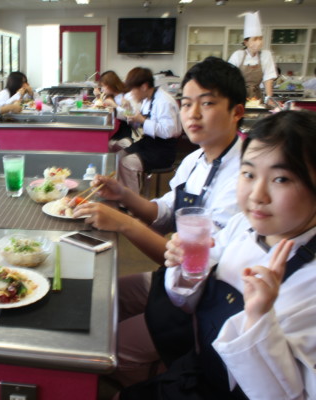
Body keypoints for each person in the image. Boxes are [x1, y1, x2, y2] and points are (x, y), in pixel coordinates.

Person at [120, 110, 316, 399]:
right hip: (199, 369)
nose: (257, 195)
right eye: (248, 174)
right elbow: (184, 302)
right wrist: (185, 266)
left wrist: (259, 320)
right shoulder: (241, 226)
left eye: (281, 179)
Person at [74, 57, 246, 386]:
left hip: (202, 304)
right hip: (168, 280)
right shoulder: (195, 159)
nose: (192, 114)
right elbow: (166, 211)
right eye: (187, 104)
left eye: (207, 103)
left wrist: (124, 223)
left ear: (237, 112)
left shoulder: (245, 179)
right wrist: (123, 195)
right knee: (101, 298)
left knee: (110, 349)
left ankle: (158, 379)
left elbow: (195, 267)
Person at [114, 67, 182, 194]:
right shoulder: (147, 100)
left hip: (163, 150)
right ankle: (122, 196)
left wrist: (142, 120)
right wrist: (133, 117)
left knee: (126, 163)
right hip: (148, 143)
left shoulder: (163, 102)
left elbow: (169, 132)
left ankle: (131, 202)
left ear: (144, 87)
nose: (131, 94)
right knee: (118, 156)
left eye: (133, 90)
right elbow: (141, 125)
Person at [228, 11, 277, 102]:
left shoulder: (266, 55)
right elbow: (229, 78)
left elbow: (268, 79)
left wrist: (269, 98)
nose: (258, 42)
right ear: (246, 42)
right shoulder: (238, 55)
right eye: (255, 39)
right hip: (238, 95)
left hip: (256, 97)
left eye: (260, 39)